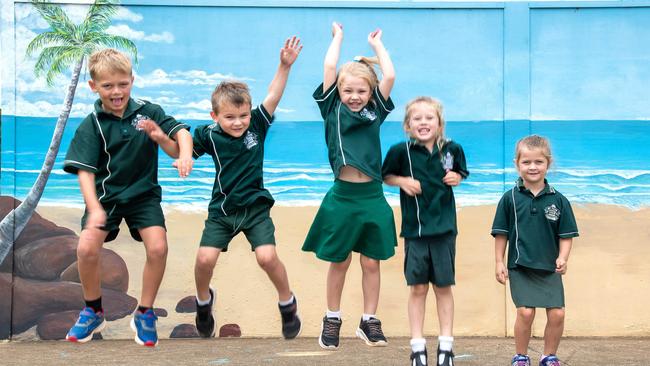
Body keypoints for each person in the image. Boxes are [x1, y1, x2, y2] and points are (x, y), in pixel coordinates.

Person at [63, 48, 193, 346]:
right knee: (86, 249)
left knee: (158, 248)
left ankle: (145, 313)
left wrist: (183, 154)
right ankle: (93, 310)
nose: (117, 91)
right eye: (108, 86)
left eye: (123, 83)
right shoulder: (92, 124)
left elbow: (181, 134)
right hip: (106, 199)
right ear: (94, 87)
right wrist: (94, 208)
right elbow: (84, 172)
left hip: (143, 197)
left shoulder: (149, 111)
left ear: (132, 80)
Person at [191, 36, 303, 340]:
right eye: (230, 117)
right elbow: (183, 144)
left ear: (250, 112)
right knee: (204, 260)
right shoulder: (210, 135)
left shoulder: (257, 125)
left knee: (266, 258)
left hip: (254, 209)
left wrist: (284, 65)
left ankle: (287, 303)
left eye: (243, 115)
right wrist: (176, 153)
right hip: (223, 210)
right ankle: (204, 303)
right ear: (215, 116)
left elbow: (273, 94)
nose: (238, 122)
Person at [302, 22, 397, 350]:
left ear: (370, 94)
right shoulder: (332, 109)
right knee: (339, 260)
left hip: (372, 196)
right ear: (339, 92)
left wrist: (378, 48)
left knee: (372, 262)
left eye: (361, 91)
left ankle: (369, 320)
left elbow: (390, 76)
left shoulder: (375, 112)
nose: (354, 96)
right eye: (348, 91)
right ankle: (332, 318)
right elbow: (330, 66)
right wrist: (338, 37)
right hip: (342, 197)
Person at [382, 97, 468, 366]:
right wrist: (402, 181)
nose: (423, 123)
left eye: (429, 118)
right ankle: (417, 347)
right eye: (417, 119)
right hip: (415, 232)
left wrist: (457, 177)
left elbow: (460, 172)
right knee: (418, 288)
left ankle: (446, 347)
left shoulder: (452, 149)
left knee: (443, 287)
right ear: (407, 125)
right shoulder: (400, 152)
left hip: (444, 230)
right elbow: (384, 175)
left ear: (439, 123)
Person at [491, 135, 579, 366]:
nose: (532, 167)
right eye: (526, 162)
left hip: (549, 268)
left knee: (557, 314)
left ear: (548, 163)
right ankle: (521, 355)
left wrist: (563, 257)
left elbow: (566, 235)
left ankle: (549, 356)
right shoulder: (509, 198)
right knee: (526, 313)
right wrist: (499, 262)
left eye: (538, 162)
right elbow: (501, 233)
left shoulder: (559, 200)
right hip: (520, 267)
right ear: (517, 164)